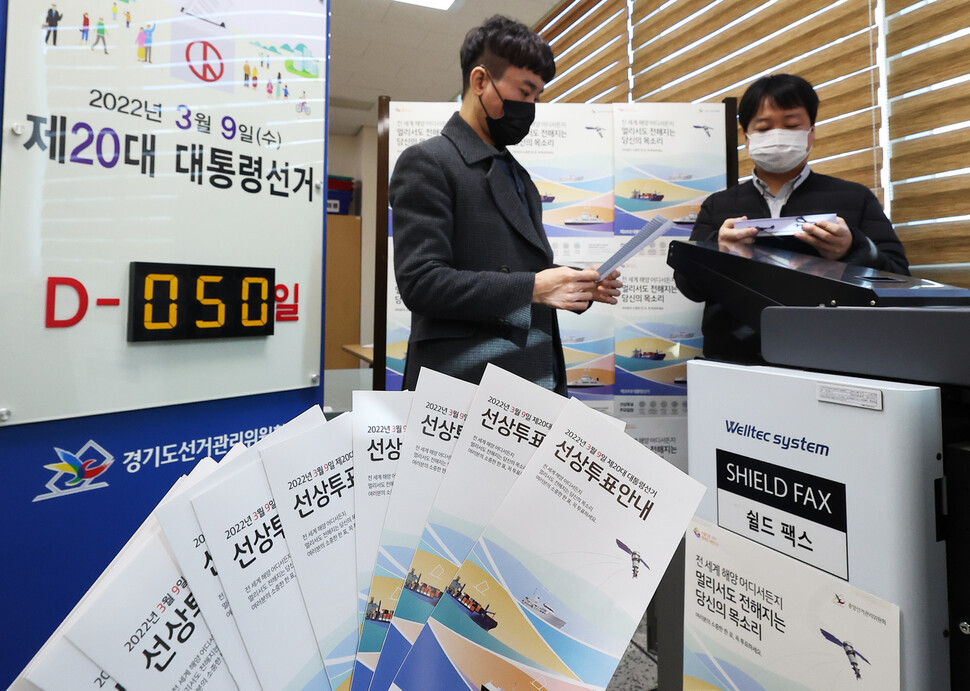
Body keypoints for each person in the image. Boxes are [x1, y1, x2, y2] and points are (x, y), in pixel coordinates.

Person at [389, 15, 621, 394]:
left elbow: (523, 271)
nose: (530, 107)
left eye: (537, 97)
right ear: (480, 81)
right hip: (461, 385)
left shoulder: (519, 177)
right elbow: (421, 282)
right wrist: (534, 287)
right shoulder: (428, 162)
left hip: (531, 380)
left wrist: (575, 283)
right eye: (524, 92)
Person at [674, 74, 909, 363]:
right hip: (734, 357)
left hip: (833, 355)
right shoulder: (718, 205)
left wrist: (852, 249)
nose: (777, 135)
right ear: (746, 137)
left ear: (811, 132)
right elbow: (688, 287)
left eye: (791, 125)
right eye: (764, 127)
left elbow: (899, 279)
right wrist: (716, 251)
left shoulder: (854, 198)